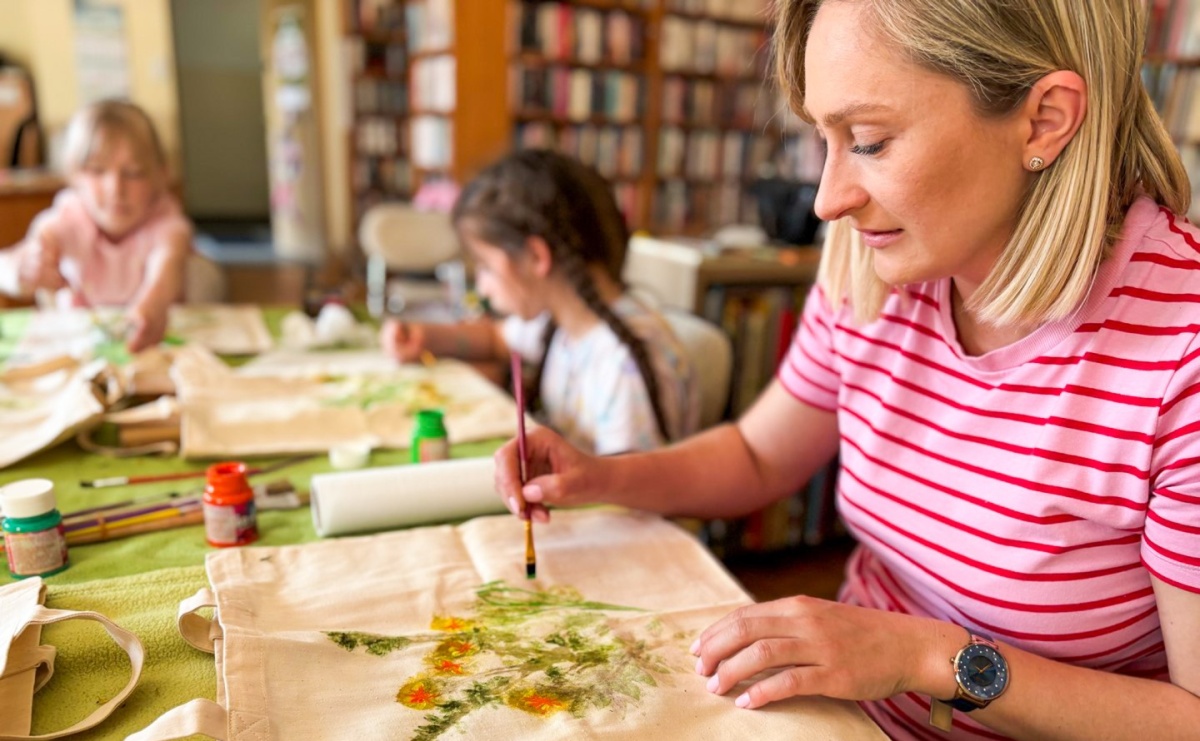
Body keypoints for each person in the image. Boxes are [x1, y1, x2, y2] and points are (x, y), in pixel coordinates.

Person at [492, 1, 1200, 738]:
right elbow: (758, 454)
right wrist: (603, 476)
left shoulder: (1183, 351)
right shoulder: (876, 265)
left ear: (1045, 118)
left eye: (869, 141)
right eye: (821, 140)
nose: (829, 200)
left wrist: (925, 657)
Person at [381, 150, 699, 454]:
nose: (482, 286)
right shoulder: (563, 322)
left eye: (486, 267)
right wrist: (423, 337)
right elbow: (496, 339)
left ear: (536, 256)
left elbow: (632, 499)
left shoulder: (622, 365)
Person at [0, 99, 193, 351]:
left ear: (161, 174)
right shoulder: (68, 216)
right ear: (73, 175)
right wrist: (18, 272)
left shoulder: (166, 221)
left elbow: (169, 265)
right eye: (97, 170)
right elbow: (11, 262)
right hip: (76, 353)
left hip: (149, 349)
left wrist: (154, 302)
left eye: (133, 172)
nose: (116, 189)